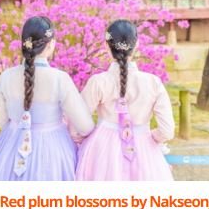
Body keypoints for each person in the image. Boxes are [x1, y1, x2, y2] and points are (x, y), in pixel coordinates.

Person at [0, 16, 94, 181]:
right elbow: (85, 126)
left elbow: (2, 123)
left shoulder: (6, 77)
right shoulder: (59, 79)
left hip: (10, 146)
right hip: (53, 150)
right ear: (50, 44)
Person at [75, 19, 175, 181]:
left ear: (107, 46)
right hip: (144, 148)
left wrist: (82, 140)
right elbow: (167, 130)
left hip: (102, 150)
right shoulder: (152, 83)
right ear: (136, 45)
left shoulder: (98, 82)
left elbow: (78, 124)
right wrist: (150, 137)